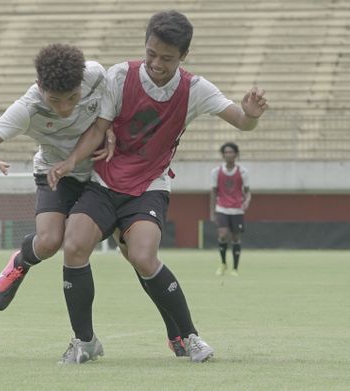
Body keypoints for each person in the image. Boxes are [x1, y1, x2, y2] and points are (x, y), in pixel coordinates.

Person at [48, 10, 268, 363]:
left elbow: (241, 121)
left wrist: (251, 115)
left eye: (166, 58)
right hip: (104, 182)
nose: (156, 63)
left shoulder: (195, 89)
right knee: (73, 246)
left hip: (150, 185)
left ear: (183, 56)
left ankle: (190, 337)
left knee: (143, 256)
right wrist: (71, 161)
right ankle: (85, 342)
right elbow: (97, 129)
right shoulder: (120, 75)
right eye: (151, 53)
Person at [0, 43, 108, 312]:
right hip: (53, 172)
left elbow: (116, 105)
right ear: (39, 86)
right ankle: (21, 261)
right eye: (55, 100)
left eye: (72, 97)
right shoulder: (27, 108)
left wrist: (111, 130)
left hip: (99, 172)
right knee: (49, 242)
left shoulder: (97, 75)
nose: (65, 108)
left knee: (130, 247)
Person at [211, 142, 251, 276]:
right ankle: (223, 263)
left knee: (235, 237)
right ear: (223, 155)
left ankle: (235, 268)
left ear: (236, 154)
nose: (228, 154)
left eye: (231, 152)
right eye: (226, 152)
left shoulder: (243, 172)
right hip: (222, 208)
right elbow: (213, 192)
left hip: (237, 209)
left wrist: (247, 201)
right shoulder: (216, 172)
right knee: (222, 235)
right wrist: (213, 212)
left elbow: (248, 191)